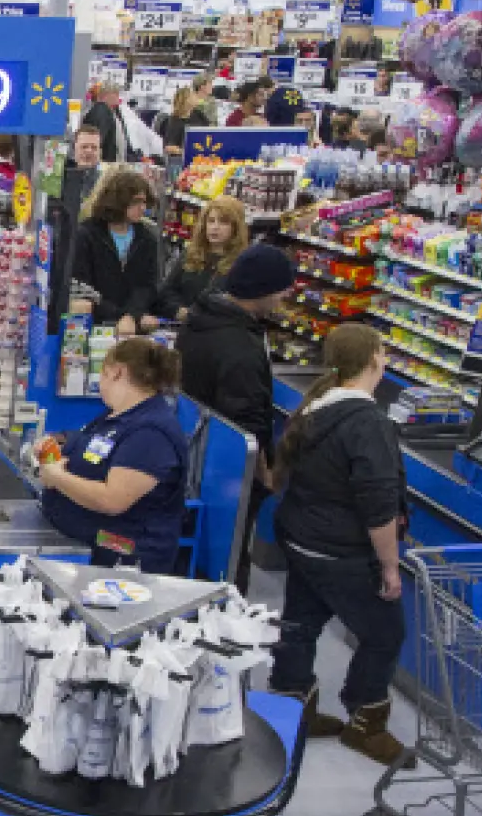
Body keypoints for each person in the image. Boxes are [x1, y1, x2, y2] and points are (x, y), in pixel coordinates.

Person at [266, 324, 412, 765]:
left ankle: (293, 704)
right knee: (385, 634)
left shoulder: (314, 409)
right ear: (374, 360)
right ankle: (366, 722)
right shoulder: (369, 424)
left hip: (301, 538)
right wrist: (389, 566)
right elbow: (379, 507)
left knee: (300, 623)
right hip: (341, 550)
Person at [177, 243, 292, 594]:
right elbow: (247, 418)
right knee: (231, 554)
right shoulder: (240, 345)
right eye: (281, 288)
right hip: (228, 471)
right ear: (262, 289)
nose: (284, 296)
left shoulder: (201, 317)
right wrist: (265, 473)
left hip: (196, 448)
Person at [37, 339, 189, 574]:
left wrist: (57, 478)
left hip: (121, 563)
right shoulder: (120, 416)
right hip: (87, 549)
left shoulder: (150, 433)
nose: (100, 381)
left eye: (103, 373)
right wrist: (56, 447)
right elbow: (94, 449)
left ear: (117, 371)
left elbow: (112, 500)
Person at [72, 168, 164, 335]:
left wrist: (132, 315)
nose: (143, 208)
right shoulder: (86, 234)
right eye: (136, 202)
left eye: (144, 202)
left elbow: (148, 286)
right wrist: (122, 316)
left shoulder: (148, 238)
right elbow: (82, 286)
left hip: (133, 326)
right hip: (93, 325)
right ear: (118, 200)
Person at [160, 196, 246, 322]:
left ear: (236, 228)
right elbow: (166, 290)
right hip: (182, 324)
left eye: (223, 222)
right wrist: (179, 310)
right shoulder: (191, 253)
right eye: (211, 221)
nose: (215, 227)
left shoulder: (242, 264)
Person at [81, 83, 133, 163]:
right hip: (106, 163)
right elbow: (97, 140)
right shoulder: (101, 111)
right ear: (107, 95)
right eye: (116, 94)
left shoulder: (111, 111)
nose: (118, 98)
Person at [155, 86, 200, 157]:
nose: (196, 96)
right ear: (186, 100)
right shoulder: (174, 121)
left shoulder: (199, 115)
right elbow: (169, 148)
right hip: (181, 158)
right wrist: (186, 152)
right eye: (192, 95)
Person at [69, 124, 104, 199]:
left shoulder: (106, 183)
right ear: (74, 149)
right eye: (84, 147)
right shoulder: (60, 180)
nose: (89, 151)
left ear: (100, 152)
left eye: (94, 147)